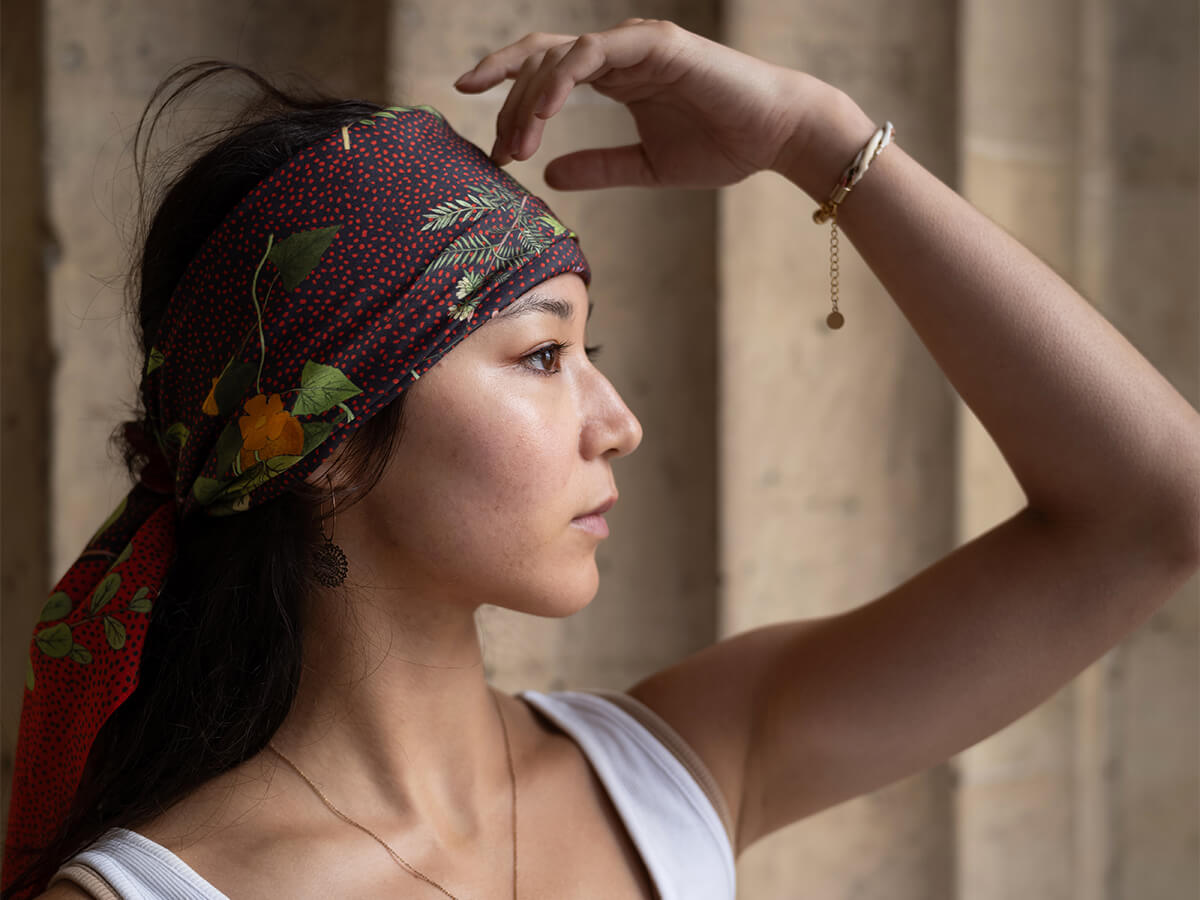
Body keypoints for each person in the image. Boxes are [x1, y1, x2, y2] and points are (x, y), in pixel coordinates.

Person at [7, 16, 1199, 900]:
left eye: (595, 350)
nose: (618, 418)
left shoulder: (676, 770)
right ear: (320, 443)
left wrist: (816, 135)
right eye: (542, 357)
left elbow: (1155, 510)